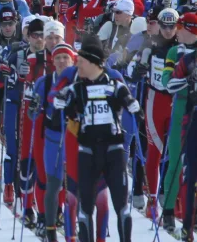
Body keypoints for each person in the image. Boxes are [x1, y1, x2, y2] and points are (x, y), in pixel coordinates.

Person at [53, 39, 139, 242]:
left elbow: (130, 102)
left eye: (81, 61)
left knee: (121, 205)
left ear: (93, 63)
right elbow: (61, 102)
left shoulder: (115, 86)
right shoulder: (76, 89)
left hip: (113, 151)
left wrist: (133, 105)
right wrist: (59, 103)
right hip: (87, 151)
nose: (78, 65)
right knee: (86, 206)